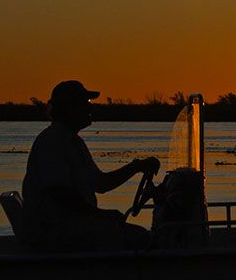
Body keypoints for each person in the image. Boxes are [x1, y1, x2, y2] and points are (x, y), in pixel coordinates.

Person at [22, 80, 160, 250]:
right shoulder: (53, 141)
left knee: (134, 234)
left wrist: (136, 167)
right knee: (141, 238)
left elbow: (101, 183)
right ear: (69, 108)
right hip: (57, 231)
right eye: (85, 103)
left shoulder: (72, 141)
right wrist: (100, 215)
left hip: (70, 227)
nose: (90, 109)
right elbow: (59, 191)